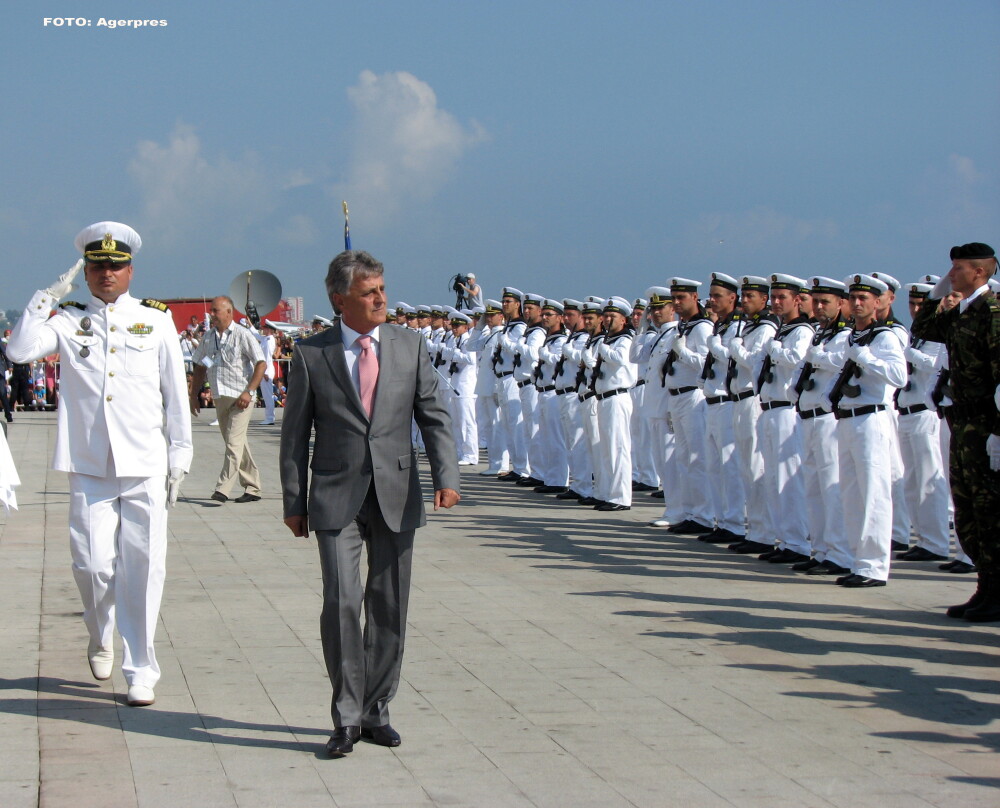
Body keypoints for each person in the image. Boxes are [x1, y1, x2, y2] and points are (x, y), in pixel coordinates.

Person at [280, 250, 460, 758]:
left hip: (397, 493)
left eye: (382, 288)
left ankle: (377, 709)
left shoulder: (410, 345)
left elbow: (434, 416)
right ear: (340, 300)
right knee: (340, 602)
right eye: (369, 292)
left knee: (388, 605)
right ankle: (346, 715)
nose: (382, 298)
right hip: (336, 496)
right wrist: (295, 501)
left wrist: (446, 475)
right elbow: (294, 436)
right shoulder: (312, 353)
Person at [6, 221, 192, 707]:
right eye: (96, 266)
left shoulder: (155, 320)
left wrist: (180, 454)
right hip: (90, 461)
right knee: (92, 566)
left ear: (130, 270)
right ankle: (100, 630)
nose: (105, 273)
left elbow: (176, 393)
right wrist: (46, 296)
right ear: (85, 273)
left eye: (114, 266)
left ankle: (141, 668)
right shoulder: (68, 317)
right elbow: (19, 351)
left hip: (145, 461)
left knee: (144, 566)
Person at [911, 242, 1000, 620]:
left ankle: (996, 592)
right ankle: (986, 587)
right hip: (961, 422)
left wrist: (999, 433)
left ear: (980, 271)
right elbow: (925, 328)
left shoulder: (993, 312)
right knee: (968, 511)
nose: (952, 275)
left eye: (958, 269)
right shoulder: (963, 310)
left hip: (985, 423)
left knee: (991, 510)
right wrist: (937, 294)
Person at [189, 297, 267, 503]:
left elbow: (261, 363)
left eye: (216, 311)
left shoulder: (242, 335)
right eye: (211, 311)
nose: (212, 315)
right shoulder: (208, 337)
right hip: (220, 395)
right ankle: (253, 487)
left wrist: (249, 391)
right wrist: (193, 395)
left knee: (233, 443)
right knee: (237, 443)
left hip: (241, 397)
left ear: (229, 312)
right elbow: (200, 366)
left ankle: (222, 488)